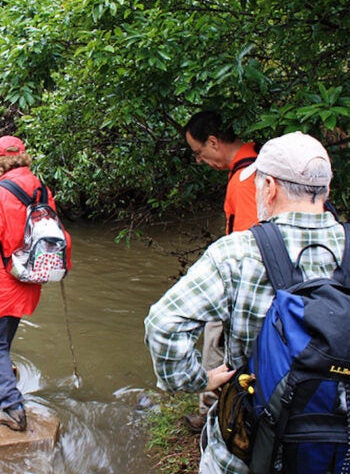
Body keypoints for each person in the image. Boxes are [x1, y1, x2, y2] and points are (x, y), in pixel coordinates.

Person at [145, 131, 343, 473]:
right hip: (337, 448)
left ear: (269, 188)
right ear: (325, 189)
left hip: (246, 447)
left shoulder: (238, 253)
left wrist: (196, 379)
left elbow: (163, 324)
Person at [0, 136, 72, 432]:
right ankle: (5, 382)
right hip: (29, 279)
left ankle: (11, 407)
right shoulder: (42, 190)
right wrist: (64, 267)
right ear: (24, 157)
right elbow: (57, 232)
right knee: (2, 339)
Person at [182, 110, 260, 432]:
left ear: (213, 142)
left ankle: (212, 413)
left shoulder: (245, 180)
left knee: (214, 341)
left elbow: (249, 246)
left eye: (198, 152)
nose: (200, 161)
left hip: (242, 283)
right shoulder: (256, 160)